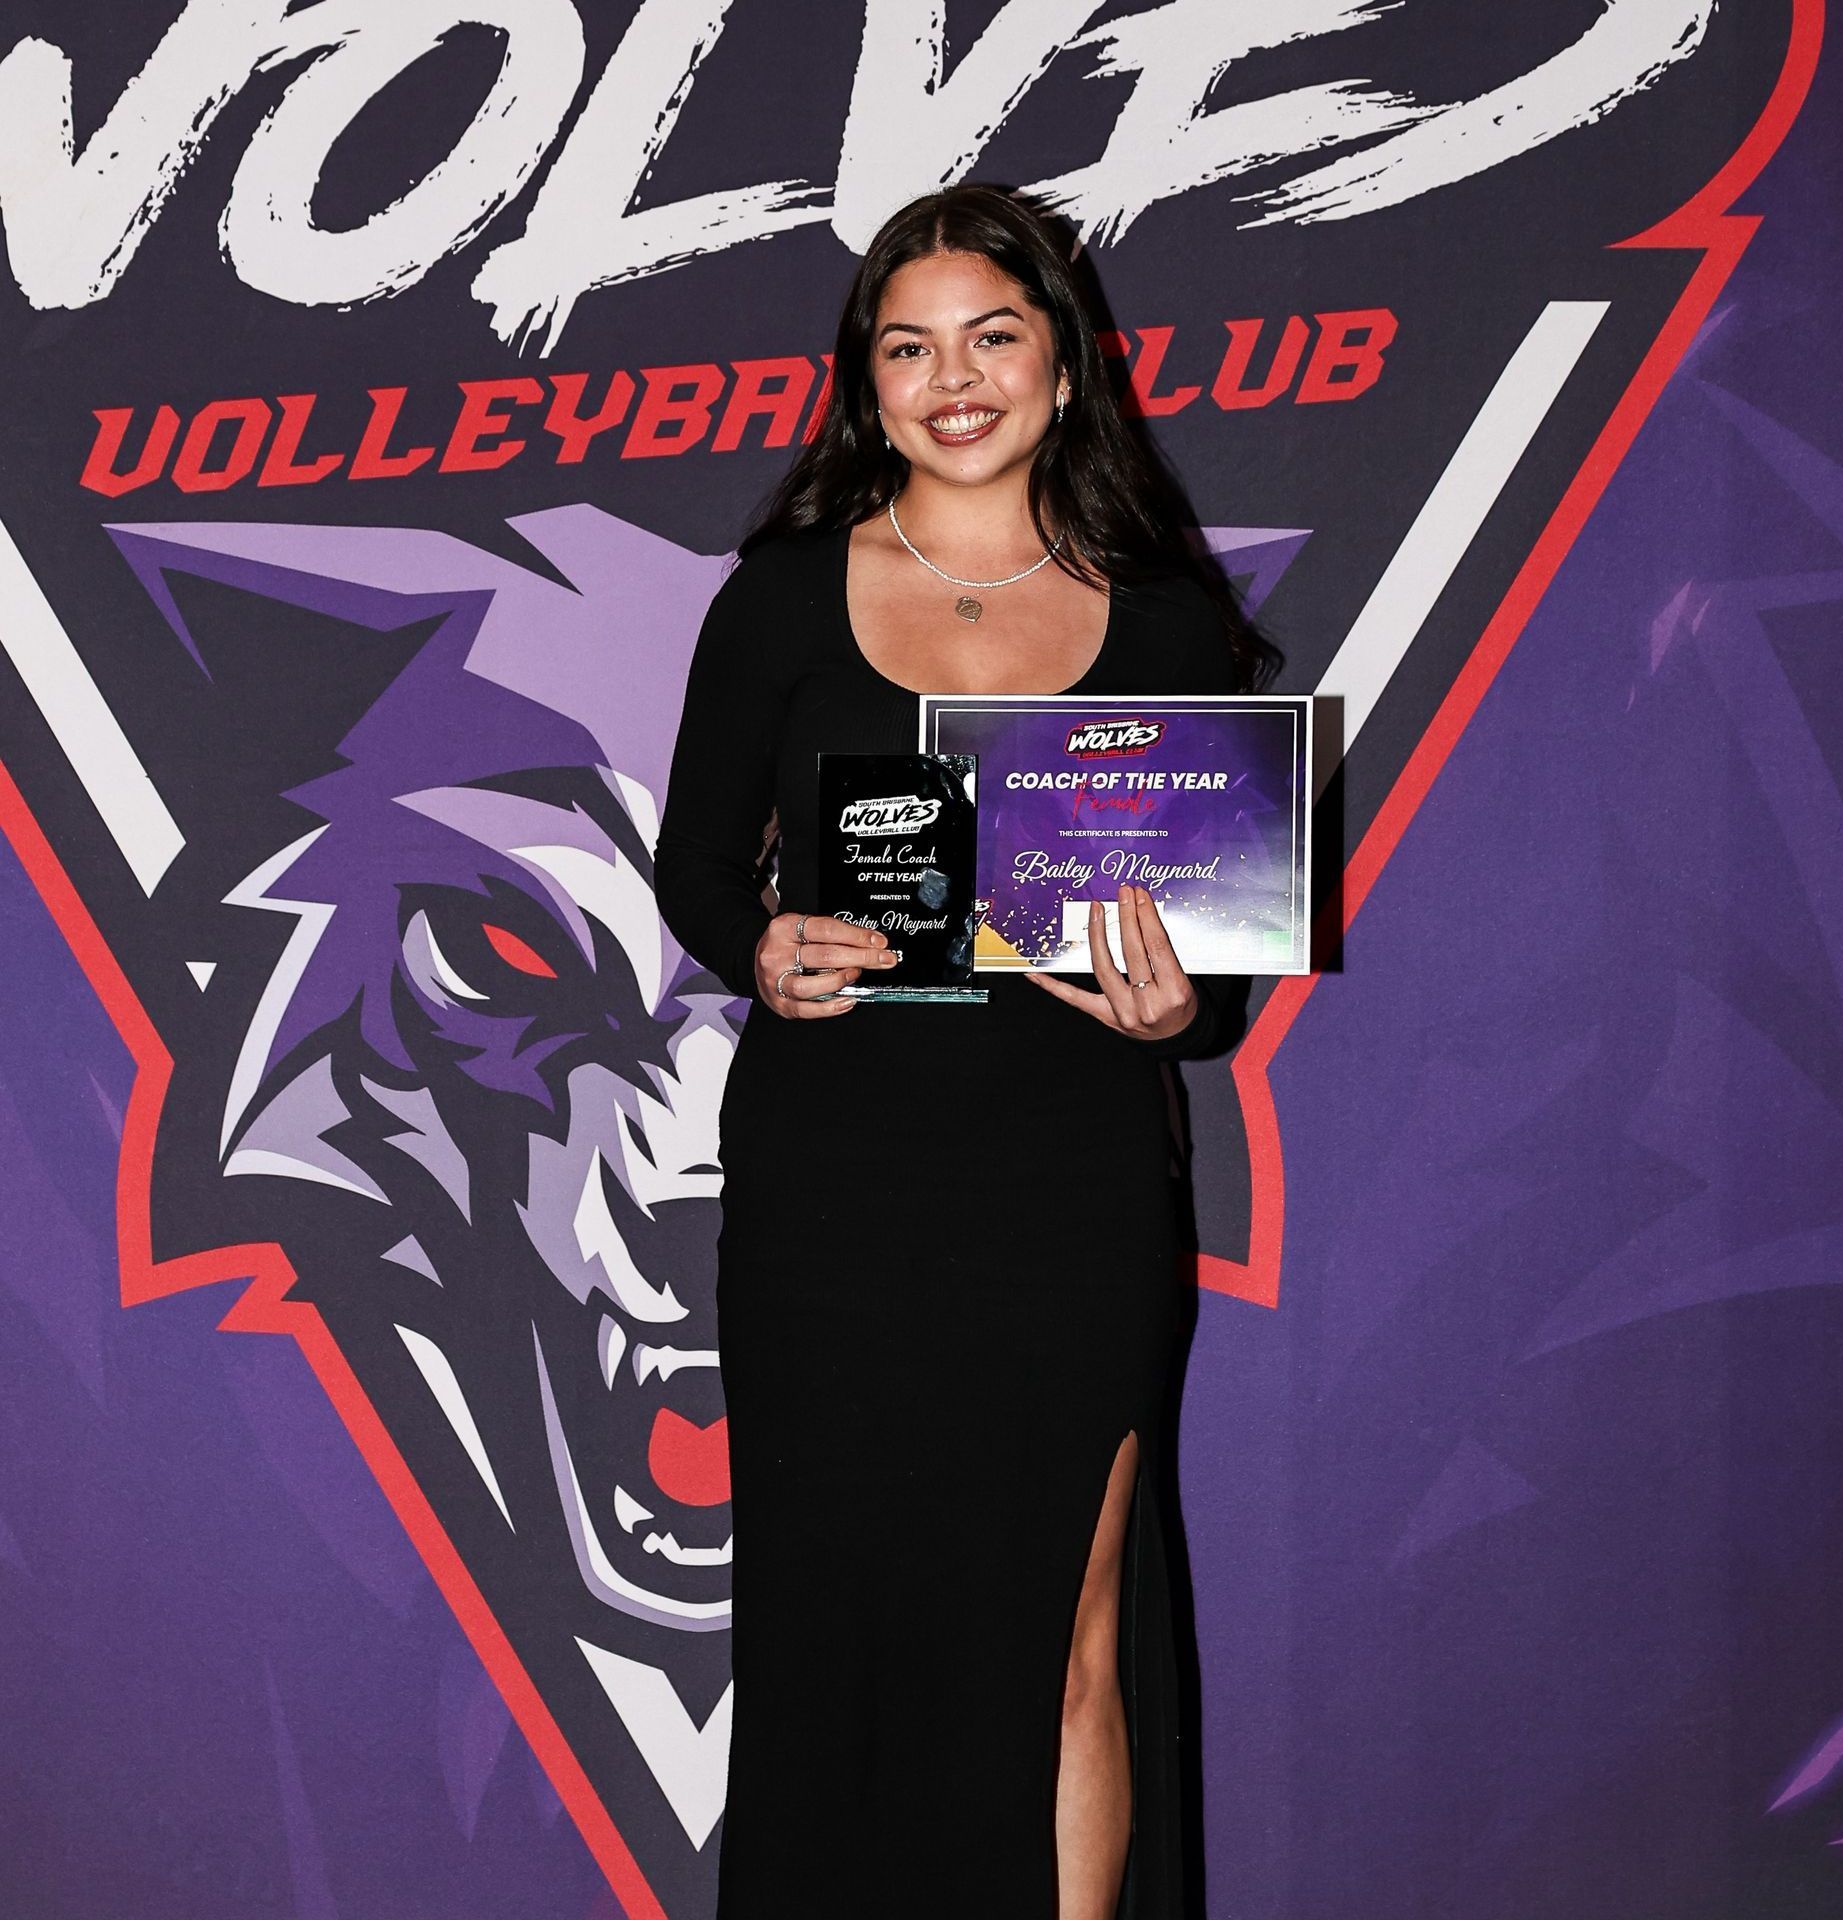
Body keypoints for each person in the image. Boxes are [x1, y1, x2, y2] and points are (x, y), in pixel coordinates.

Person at [655, 183, 1260, 1919]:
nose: (954, 377)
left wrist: (1183, 1010)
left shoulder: (1161, 618)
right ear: (866, 386)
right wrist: (756, 947)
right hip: (831, 1198)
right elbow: (700, 869)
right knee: (834, 1633)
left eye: (992, 336)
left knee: (1071, 1633)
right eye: (907, 348)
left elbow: (1208, 962)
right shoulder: (779, 601)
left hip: (1068, 1193)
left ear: (1065, 368)